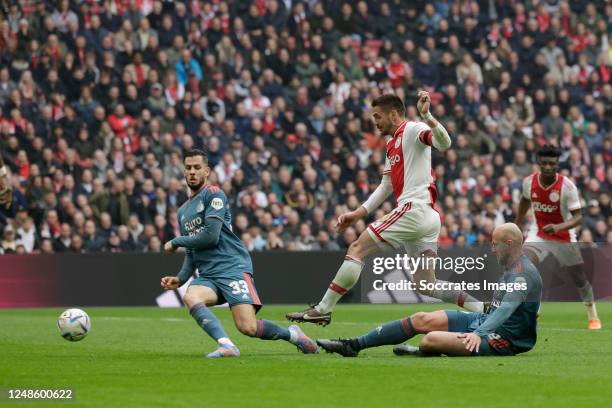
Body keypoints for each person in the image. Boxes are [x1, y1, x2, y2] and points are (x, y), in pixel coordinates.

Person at [286, 91, 483, 326]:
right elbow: (386, 186)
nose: (375, 122)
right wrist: (358, 213)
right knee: (426, 285)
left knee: (357, 247)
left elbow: (444, 143)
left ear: (393, 114)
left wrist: (428, 115)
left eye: (378, 117)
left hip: (414, 209)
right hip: (427, 217)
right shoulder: (391, 144)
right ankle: (483, 308)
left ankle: (323, 309)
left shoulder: (413, 129)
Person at [160, 149, 318, 358]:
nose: (192, 172)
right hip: (208, 275)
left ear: (206, 171)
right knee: (191, 296)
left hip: (232, 267)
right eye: (188, 167)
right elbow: (192, 251)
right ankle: (226, 345)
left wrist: (175, 241)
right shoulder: (182, 211)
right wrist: (180, 279)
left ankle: (293, 335)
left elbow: (211, 236)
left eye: (197, 167)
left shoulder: (214, 194)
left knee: (248, 327)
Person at [317, 223, 542, 357]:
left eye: (495, 244)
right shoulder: (512, 268)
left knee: (431, 339)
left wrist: (478, 333)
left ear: (510, 243)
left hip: (502, 339)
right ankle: (352, 345)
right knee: (421, 319)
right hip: (485, 321)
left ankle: (420, 352)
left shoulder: (523, 273)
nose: (492, 249)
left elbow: (505, 310)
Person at [515, 144, 601, 330]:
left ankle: (592, 315)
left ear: (557, 164)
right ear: (539, 162)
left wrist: (559, 226)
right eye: (544, 163)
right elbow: (524, 201)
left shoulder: (567, 186)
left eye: (551, 163)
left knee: (579, 277)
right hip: (539, 235)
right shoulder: (529, 182)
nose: (547, 167)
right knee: (525, 267)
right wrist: (517, 223)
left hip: (564, 237)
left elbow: (578, 216)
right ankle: (533, 311)